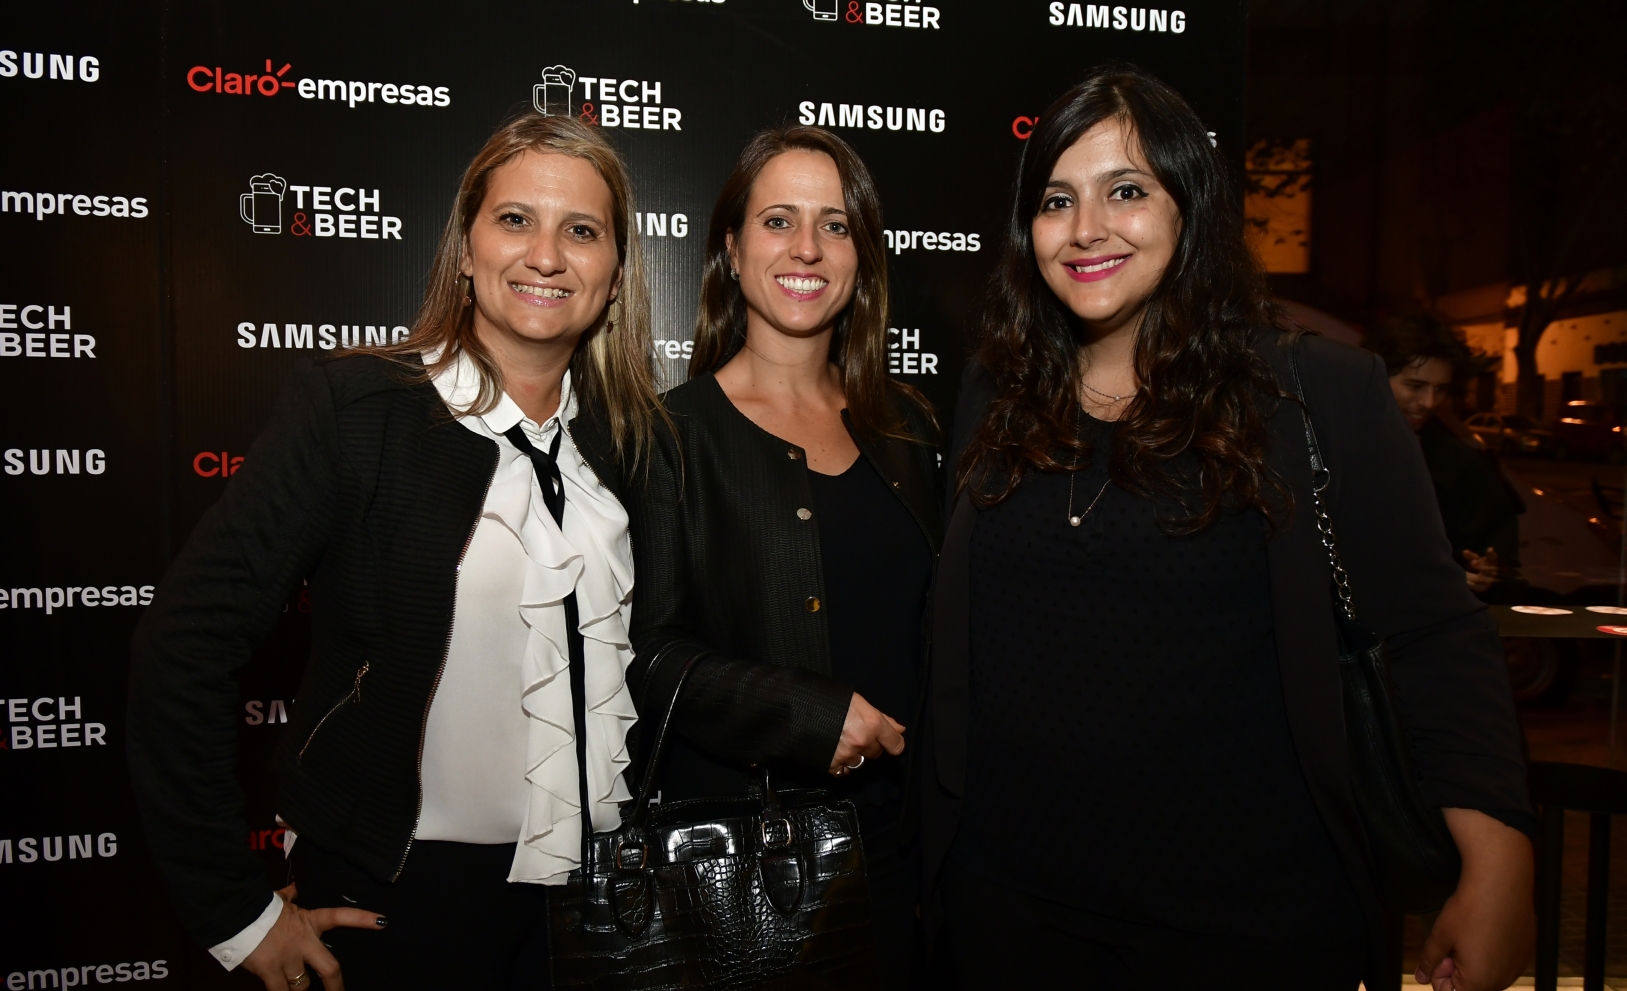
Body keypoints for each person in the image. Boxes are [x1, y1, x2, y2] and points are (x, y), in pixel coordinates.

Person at [919, 65, 1534, 991]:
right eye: (1055, 200)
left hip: (1246, 926)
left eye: (1125, 190)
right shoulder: (991, 395)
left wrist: (1497, 862)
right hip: (1009, 913)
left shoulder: (1313, 392)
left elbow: (1433, 634)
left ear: (1189, 209)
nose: (1086, 228)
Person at [127, 114, 665, 990]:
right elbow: (181, 650)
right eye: (514, 219)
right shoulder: (356, 410)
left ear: (612, 275)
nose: (545, 255)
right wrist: (237, 910)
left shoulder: (627, 445)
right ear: (465, 247)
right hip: (397, 898)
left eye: (581, 231)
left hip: (588, 905)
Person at [625, 125, 941, 988]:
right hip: (752, 876)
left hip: (906, 860)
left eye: (835, 225)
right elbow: (645, 654)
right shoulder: (670, 433)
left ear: (862, 255)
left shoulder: (910, 425)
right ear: (730, 248)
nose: (807, 247)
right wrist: (807, 715)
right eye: (778, 220)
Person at [1364, 313, 1524, 597]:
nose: (1428, 402)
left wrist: (1489, 576)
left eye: (1440, 389)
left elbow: (1499, 563)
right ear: (1374, 377)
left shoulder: (1463, 468)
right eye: (1415, 386)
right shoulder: (1327, 449)